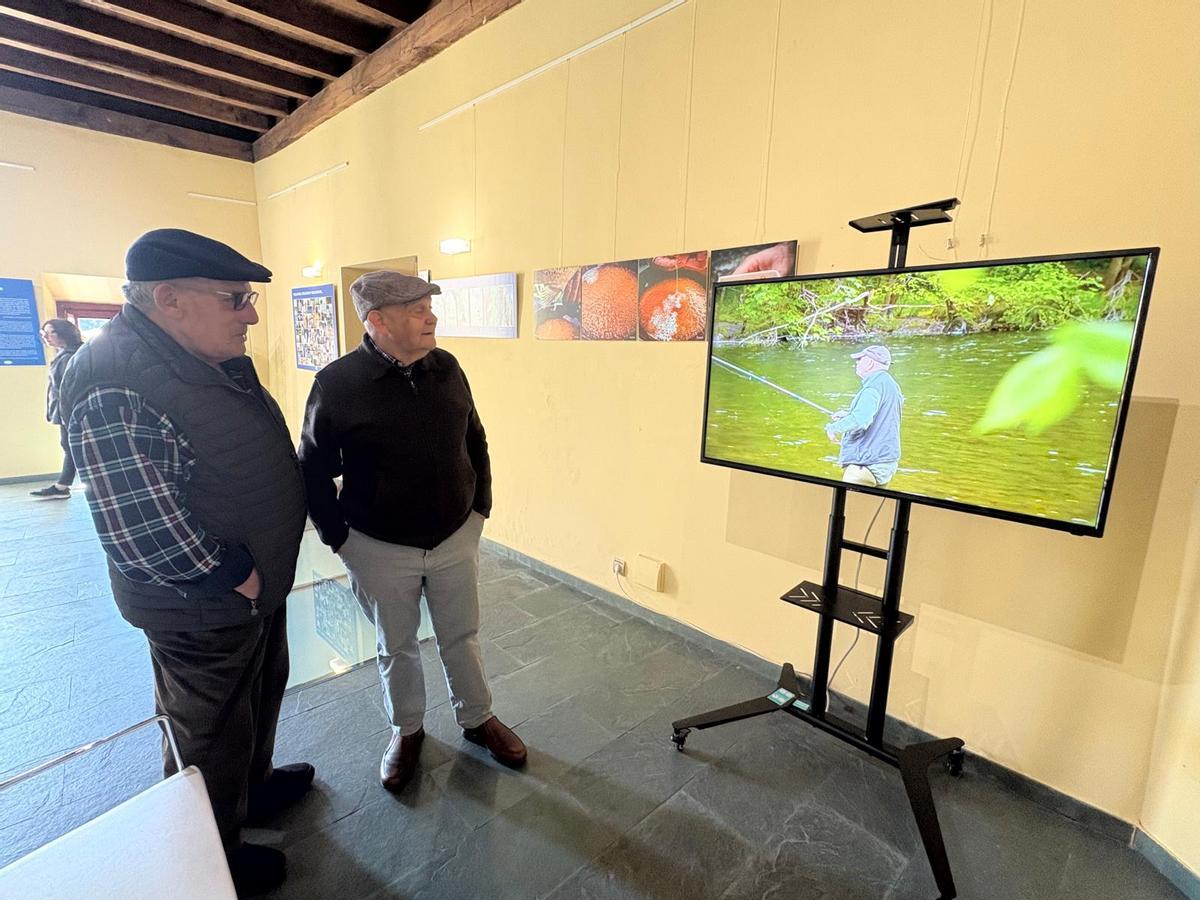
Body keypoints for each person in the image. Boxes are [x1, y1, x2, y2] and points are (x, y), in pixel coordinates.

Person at [58, 229, 312, 897]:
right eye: (235, 299)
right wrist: (236, 574)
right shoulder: (113, 381)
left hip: (251, 592)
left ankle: (251, 791)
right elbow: (142, 530)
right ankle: (210, 855)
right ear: (168, 299)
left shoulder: (191, 357)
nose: (250, 315)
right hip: (203, 604)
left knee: (255, 700)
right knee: (207, 734)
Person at [299, 270, 527, 794]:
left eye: (429, 306)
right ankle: (407, 732)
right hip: (377, 545)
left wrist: (479, 509)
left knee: (461, 635)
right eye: (418, 308)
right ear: (378, 320)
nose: (432, 317)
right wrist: (341, 539)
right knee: (396, 645)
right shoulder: (336, 384)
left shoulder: (447, 368)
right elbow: (311, 469)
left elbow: (476, 439)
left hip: (454, 536)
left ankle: (477, 717)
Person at [825, 345, 903, 486]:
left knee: (847, 506)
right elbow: (881, 416)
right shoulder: (892, 385)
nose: (856, 363)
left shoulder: (872, 387)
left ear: (869, 362)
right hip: (887, 464)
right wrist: (848, 415)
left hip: (866, 465)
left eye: (860, 359)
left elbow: (860, 420)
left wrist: (834, 428)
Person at [29, 319, 84, 499]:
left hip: (71, 413)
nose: (46, 337)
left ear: (63, 333)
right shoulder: (66, 354)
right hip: (65, 413)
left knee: (72, 446)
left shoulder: (71, 356)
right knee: (69, 446)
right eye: (44, 333)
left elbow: (70, 390)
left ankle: (63, 486)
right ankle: (63, 485)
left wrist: (69, 417)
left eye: (51, 332)